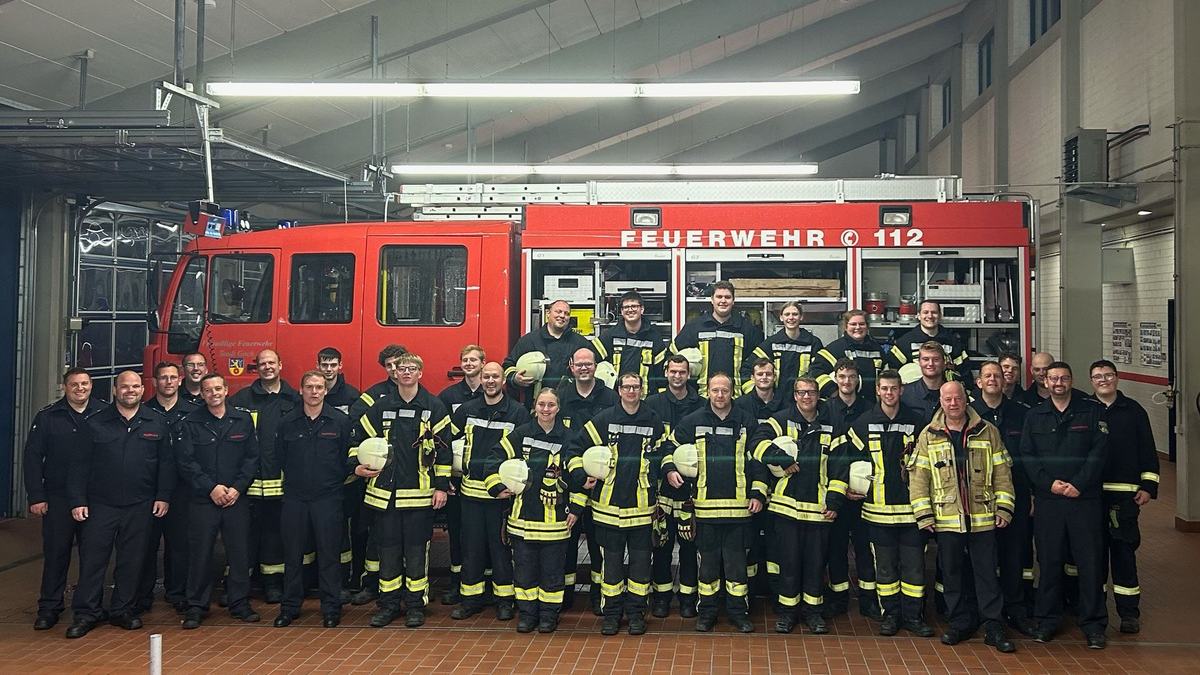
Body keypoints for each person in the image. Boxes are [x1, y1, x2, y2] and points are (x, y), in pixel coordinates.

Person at [908, 381, 1017, 654]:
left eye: (957, 398)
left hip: (983, 518)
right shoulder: (928, 435)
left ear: (965, 399)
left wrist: (1004, 508)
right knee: (952, 575)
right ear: (941, 402)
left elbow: (1002, 472)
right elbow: (919, 478)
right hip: (946, 520)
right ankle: (959, 623)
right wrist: (923, 513)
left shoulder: (988, 431)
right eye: (948, 399)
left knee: (987, 575)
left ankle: (993, 625)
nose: (953, 403)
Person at [65, 371, 173, 638]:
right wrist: (78, 500)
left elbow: (166, 465)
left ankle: (123, 610)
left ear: (142, 390)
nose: (130, 391)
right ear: (114, 391)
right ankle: (86, 613)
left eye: (135, 386)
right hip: (101, 505)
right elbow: (78, 465)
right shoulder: (95, 423)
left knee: (132, 560)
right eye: (124, 387)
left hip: (141, 504)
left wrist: (163, 495)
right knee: (93, 560)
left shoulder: (156, 422)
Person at [351, 353, 452, 628]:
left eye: (412, 368)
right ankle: (388, 605)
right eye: (401, 368)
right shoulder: (381, 407)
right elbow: (357, 439)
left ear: (420, 372)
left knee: (418, 553)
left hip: (420, 498)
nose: (406, 372)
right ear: (394, 373)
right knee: (388, 553)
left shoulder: (434, 407)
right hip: (386, 498)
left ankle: (416, 606)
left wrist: (441, 488)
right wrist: (355, 466)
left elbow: (445, 453)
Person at [664, 372, 766, 633]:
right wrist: (670, 470)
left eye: (724, 390)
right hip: (705, 510)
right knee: (707, 567)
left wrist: (758, 493)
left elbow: (759, 460)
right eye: (715, 390)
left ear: (733, 392)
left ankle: (738, 613)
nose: (720, 395)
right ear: (707, 391)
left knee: (736, 567)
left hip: (739, 510)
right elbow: (667, 448)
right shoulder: (693, 421)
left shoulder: (746, 421)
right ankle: (706, 613)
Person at [1020, 361, 1109, 649]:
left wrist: (1078, 485)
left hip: (1085, 500)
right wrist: (1050, 484)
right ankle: (1046, 621)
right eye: (1053, 378)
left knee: (1090, 563)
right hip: (1050, 501)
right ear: (1045, 381)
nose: (1058, 383)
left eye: (1064, 378)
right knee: (1049, 562)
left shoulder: (1091, 411)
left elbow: (1099, 453)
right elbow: (1027, 455)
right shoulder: (1034, 416)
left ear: (1071, 381)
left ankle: (1094, 625)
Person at [837, 369, 932, 638]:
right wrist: (846, 487)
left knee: (914, 567)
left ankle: (914, 616)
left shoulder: (917, 423)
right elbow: (845, 458)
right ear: (877, 391)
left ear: (902, 390)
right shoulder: (863, 423)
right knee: (885, 568)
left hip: (912, 512)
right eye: (884, 389)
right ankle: (890, 615)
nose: (889, 393)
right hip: (877, 513)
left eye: (894, 388)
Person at [575, 372, 666, 635]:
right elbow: (576, 447)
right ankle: (612, 616)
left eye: (636, 387)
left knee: (640, 566)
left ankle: (636, 615)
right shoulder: (604, 419)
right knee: (611, 567)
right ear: (619, 389)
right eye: (626, 387)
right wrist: (584, 474)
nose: (631, 391)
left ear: (642, 389)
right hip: (607, 510)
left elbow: (663, 455)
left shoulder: (653, 420)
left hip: (641, 510)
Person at [750, 376, 843, 634]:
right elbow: (756, 444)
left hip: (819, 509)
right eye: (801, 392)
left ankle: (813, 613)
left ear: (818, 395)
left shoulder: (832, 426)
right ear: (794, 395)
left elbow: (840, 466)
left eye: (811, 392)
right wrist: (781, 458)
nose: (806, 397)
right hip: (785, 510)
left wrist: (834, 499)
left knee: (815, 566)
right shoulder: (780, 420)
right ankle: (787, 613)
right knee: (787, 564)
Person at [490, 387, 581, 633]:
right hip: (523, 520)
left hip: (556, 522)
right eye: (541, 404)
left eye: (551, 405)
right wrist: (497, 486)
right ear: (535, 406)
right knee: (524, 571)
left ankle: (549, 615)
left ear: (558, 408)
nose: (546, 409)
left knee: (552, 572)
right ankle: (528, 615)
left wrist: (576, 508)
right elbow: (493, 458)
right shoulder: (521, 435)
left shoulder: (569, 438)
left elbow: (578, 477)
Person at [176, 373, 261, 629]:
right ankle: (196, 606)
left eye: (217, 388)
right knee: (200, 553)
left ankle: (239, 603)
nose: (213, 393)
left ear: (226, 390)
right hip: (203, 500)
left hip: (236, 499)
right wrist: (210, 488)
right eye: (208, 390)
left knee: (239, 554)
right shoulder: (190, 422)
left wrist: (236, 489)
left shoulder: (242, 420)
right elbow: (185, 462)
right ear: (202, 394)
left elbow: (251, 459)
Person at [24, 368, 106, 631]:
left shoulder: (105, 414)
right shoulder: (48, 416)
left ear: (91, 385)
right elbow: (33, 458)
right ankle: (49, 608)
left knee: (93, 556)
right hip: (58, 498)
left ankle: (89, 608)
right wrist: (37, 495)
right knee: (56, 554)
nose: (79, 388)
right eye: (74, 384)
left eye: (84, 384)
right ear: (64, 387)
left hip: (94, 498)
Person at [273, 370, 354, 629]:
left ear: (326, 391)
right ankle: (289, 608)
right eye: (309, 387)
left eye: (319, 387)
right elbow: (280, 457)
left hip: (328, 498)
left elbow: (344, 460)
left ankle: (331, 609)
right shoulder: (288, 422)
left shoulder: (340, 421)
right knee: (293, 555)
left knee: (329, 556)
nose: (314, 392)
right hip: (295, 498)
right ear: (301, 390)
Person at [450, 362, 530, 621]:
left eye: (495, 376)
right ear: (480, 379)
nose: (491, 381)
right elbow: (447, 443)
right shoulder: (466, 411)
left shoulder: (517, 413)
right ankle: (470, 599)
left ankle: (504, 600)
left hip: (502, 497)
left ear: (502, 380)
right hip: (471, 494)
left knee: (501, 549)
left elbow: (522, 454)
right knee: (471, 549)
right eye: (487, 377)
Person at [1088, 360, 1159, 634]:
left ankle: (1129, 614)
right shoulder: (1086, 410)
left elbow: (1148, 451)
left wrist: (1148, 486)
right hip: (1092, 496)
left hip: (1124, 499)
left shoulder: (1134, 411)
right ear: (1091, 381)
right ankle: (1094, 613)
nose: (1103, 380)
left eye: (1108, 375)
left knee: (1124, 556)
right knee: (1093, 558)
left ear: (1116, 378)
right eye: (1098, 377)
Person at [228, 349, 301, 602]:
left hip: (279, 483)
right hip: (245, 484)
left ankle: (272, 583)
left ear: (280, 365)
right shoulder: (241, 399)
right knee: (241, 535)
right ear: (256, 368)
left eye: (272, 363)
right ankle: (237, 583)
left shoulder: (294, 400)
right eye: (262, 364)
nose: (268, 367)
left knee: (275, 535)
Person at [971, 361, 1034, 634]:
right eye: (988, 375)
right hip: (978, 497)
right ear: (979, 382)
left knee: (1014, 553)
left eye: (997, 375)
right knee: (982, 557)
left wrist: (1032, 493)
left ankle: (1015, 609)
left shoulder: (1022, 414)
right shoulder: (968, 414)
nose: (993, 379)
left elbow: (1031, 457)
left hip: (1015, 494)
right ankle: (982, 611)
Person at [557, 347, 619, 613]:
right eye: (579, 364)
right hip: (568, 477)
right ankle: (565, 595)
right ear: (571, 366)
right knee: (566, 541)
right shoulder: (561, 397)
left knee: (598, 542)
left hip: (602, 480)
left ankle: (598, 595)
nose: (584, 368)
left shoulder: (611, 397)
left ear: (596, 366)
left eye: (588, 363)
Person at [346, 343, 408, 605]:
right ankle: (370, 584)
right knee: (375, 536)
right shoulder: (373, 396)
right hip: (377, 481)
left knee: (405, 538)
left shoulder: (417, 396)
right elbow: (354, 428)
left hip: (406, 481)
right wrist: (358, 463)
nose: (394, 370)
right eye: (389, 365)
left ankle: (403, 585)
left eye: (398, 364)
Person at [643, 354, 705, 619]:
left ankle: (689, 599)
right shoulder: (652, 404)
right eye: (673, 371)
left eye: (682, 371)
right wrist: (666, 470)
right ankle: (661, 597)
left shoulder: (702, 405)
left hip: (693, 491)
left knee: (691, 548)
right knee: (661, 546)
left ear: (689, 373)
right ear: (666, 372)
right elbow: (650, 446)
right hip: (661, 489)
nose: (677, 376)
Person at [137, 362, 199, 616]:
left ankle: (177, 592)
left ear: (179, 380)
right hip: (149, 489)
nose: (169, 382)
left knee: (180, 545)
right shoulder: (143, 412)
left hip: (182, 490)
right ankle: (142, 595)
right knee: (146, 544)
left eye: (173, 378)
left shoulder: (193, 412)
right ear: (155, 382)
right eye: (163, 378)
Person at [823, 358, 877, 620]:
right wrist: (838, 489)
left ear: (858, 380)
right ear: (835, 379)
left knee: (866, 548)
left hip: (865, 493)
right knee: (836, 548)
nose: (847, 381)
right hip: (836, 491)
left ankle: (868, 601)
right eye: (842, 376)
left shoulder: (870, 409)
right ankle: (838, 599)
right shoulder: (826, 410)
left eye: (851, 377)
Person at [437, 344, 486, 606]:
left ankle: (483, 584)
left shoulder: (492, 393)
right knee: (457, 532)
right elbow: (443, 438)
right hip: (457, 477)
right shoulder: (448, 396)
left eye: (473, 360)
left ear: (483, 363)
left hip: (484, 479)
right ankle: (457, 583)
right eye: (464, 360)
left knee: (483, 535)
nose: (468, 364)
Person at [670, 280, 763, 397]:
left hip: (735, 398)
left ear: (733, 301)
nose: (723, 301)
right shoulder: (695, 327)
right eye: (719, 297)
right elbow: (673, 356)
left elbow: (759, 364)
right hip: (701, 398)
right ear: (712, 299)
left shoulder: (746, 329)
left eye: (727, 297)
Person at [503, 299, 595, 404]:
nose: (562, 316)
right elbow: (508, 365)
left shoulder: (580, 343)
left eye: (566, 313)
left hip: (572, 404)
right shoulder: (529, 341)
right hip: (538, 406)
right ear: (548, 313)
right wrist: (514, 378)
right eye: (558, 311)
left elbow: (594, 367)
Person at [811, 310, 903, 402]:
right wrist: (833, 391)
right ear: (846, 327)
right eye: (853, 324)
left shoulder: (877, 349)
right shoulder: (835, 349)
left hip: (871, 406)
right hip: (845, 406)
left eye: (862, 324)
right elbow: (816, 372)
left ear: (867, 326)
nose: (858, 327)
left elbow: (886, 376)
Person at [742, 301, 823, 396]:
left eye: (795, 314)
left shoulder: (813, 343)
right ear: (781, 317)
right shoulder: (772, 343)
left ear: (801, 317)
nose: (791, 317)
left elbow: (820, 371)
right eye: (787, 314)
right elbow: (747, 368)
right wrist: (756, 394)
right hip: (776, 403)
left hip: (803, 400)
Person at [593, 290, 665, 390]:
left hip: (646, 400)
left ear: (642, 309)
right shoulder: (611, 335)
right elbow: (590, 357)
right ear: (622, 311)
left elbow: (660, 376)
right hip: (616, 399)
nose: (630, 310)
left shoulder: (654, 338)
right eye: (626, 307)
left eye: (634, 306)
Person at [894, 300, 971, 381]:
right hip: (915, 391)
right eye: (925, 312)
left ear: (940, 316)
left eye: (934, 312)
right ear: (918, 316)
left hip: (945, 391)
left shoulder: (952, 342)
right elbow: (892, 369)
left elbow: (965, 371)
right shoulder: (905, 342)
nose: (930, 316)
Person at [900, 340, 950, 424]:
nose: (930, 364)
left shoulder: (954, 393)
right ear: (919, 362)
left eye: (936, 359)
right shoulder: (905, 394)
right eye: (926, 359)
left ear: (944, 363)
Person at [317, 347, 360, 413]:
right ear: (318, 365)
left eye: (333, 365)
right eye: (324, 365)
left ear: (340, 365)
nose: (329, 369)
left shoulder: (352, 395)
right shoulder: (311, 393)